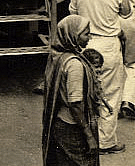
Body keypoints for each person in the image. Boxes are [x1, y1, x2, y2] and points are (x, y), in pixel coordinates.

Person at [69, 0, 131, 155]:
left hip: (85, 44)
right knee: (110, 93)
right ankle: (105, 141)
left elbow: (73, 12)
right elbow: (127, 12)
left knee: (85, 91)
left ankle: (83, 136)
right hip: (108, 44)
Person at [42, 15, 100, 166]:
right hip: (72, 128)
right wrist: (88, 135)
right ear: (72, 35)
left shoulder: (58, 57)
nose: (89, 38)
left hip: (59, 124)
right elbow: (75, 104)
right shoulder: (74, 65)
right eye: (86, 34)